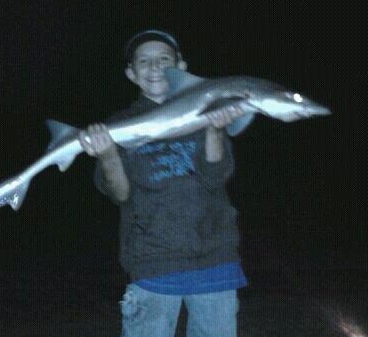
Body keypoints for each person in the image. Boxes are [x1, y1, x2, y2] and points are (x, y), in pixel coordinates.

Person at [78, 30, 254, 336]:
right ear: (131, 73)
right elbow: (121, 194)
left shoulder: (207, 110)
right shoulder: (120, 126)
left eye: (164, 59)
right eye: (144, 61)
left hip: (214, 260)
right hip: (152, 264)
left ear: (181, 66)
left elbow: (216, 179)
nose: (154, 67)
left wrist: (214, 129)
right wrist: (108, 156)